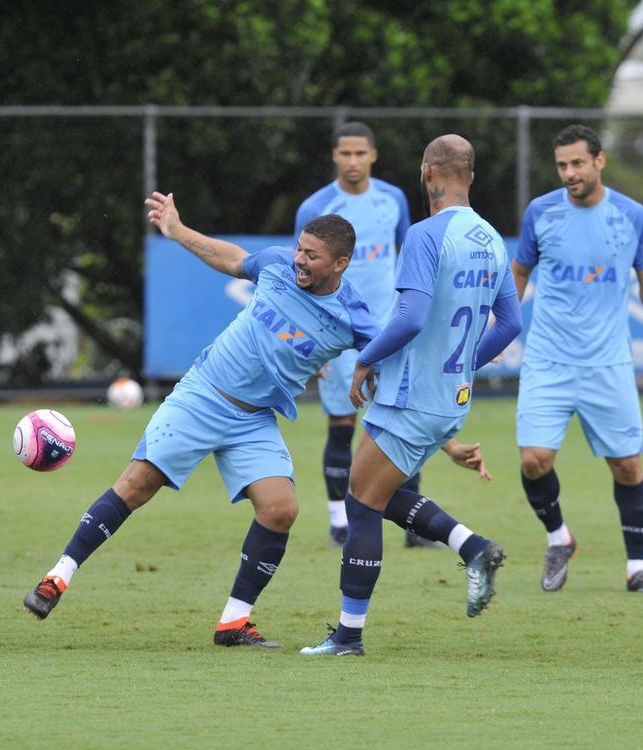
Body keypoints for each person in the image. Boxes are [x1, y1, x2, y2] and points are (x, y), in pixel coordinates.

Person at [22, 192, 380, 648]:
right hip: (203, 394)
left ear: (341, 264)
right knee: (136, 485)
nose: (299, 261)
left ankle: (233, 622)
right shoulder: (277, 266)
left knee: (281, 509)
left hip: (253, 420)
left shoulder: (353, 316)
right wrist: (175, 229)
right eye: (299, 250)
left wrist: (373, 364)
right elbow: (233, 259)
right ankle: (57, 577)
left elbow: (390, 345)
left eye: (313, 256)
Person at [300, 134, 523, 657]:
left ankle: (348, 635)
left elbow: (411, 316)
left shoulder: (425, 235)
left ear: (428, 174)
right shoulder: (492, 239)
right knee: (375, 490)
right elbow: (511, 322)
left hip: (412, 394)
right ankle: (473, 547)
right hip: (452, 396)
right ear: (472, 176)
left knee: (360, 503)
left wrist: (367, 357)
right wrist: (465, 363)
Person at [513, 124, 643, 595]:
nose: (569, 173)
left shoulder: (632, 216)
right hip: (547, 358)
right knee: (533, 460)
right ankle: (559, 539)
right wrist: (497, 328)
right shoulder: (541, 213)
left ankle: (637, 569)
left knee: (627, 467)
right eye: (562, 165)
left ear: (599, 161)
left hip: (607, 362)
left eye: (577, 163)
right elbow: (519, 272)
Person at [294, 122, 425, 548]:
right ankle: (338, 522)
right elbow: (302, 278)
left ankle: (414, 523)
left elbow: (409, 259)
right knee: (341, 425)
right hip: (337, 337)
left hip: (388, 331)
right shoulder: (316, 205)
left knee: (404, 422)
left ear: (373, 154)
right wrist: (317, 348)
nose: (353, 161)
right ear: (335, 156)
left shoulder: (393, 199)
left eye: (360, 153)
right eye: (345, 153)